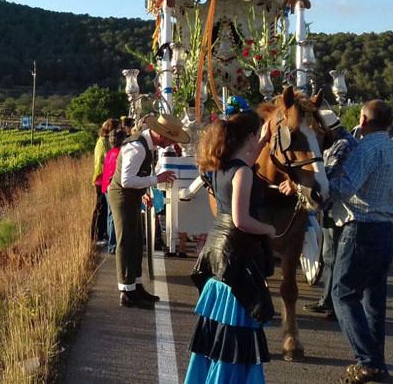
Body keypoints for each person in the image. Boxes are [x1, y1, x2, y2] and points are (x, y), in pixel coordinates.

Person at [185, 106, 275, 384]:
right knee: (237, 330)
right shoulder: (244, 174)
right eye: (256, 137)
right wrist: (269, 229)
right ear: (248, 137)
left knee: (217, 328)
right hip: (237, 254)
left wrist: (263, 140)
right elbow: (242, 220)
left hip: (216, 251)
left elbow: (244, 161)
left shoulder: (219, 166)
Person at [328, 100, 393, 384]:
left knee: (343, 294)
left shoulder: (367, 148)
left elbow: (344, 187)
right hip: (385, 229)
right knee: (374, 300)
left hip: (361, 228)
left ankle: (367, 361)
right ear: (390, 123)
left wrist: (324, 175)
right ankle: (377, 363)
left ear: (362, 119)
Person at [279, 101, 359, 320]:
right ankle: (328, 300)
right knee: (330, 255)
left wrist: (297, 185)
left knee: (333, 257)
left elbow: (328, 175)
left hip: (340, 210)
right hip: (336, 207)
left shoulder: (341, 145)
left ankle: (333, 303)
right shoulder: (343, 142)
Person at [106, 114, 187, 309]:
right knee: (126, 242)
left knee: (135, 241)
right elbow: (127, 180)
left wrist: (145, 191)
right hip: (122, 196)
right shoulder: (137, 147)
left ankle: (136, 286)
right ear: (160, 134)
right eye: (169, 138)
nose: (169, 143)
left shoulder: (144, 145)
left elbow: (137, 177)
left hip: (131, 196)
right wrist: (156, 180)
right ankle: (126, 291)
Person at [91, 118, 120, 246]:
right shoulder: (103, 142)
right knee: (101, 207)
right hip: (102, 179)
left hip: (105, 178)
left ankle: (101, 234)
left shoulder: (105, 140)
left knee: (104, 208)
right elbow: (103, 160)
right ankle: (96, 236)